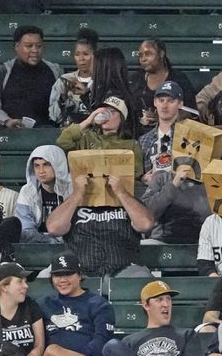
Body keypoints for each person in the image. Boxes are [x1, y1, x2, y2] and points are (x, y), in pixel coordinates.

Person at [45, 149, 154, 279]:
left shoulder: (129, 201)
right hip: (80, 272)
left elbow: (145, 224)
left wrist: (121, 192)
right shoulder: (72, 204)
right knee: (47, 277)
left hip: (124, 268)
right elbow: (54, 228)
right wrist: (77, 193)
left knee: (142, 277)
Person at [101, 280, 202, 356]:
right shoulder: (130, 341)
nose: (166, 304)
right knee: (112, 349)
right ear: (146, 305)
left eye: (168, 299)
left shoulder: (187, 334)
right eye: (159, 300)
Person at [38, 253, 115, 356]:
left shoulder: (98, 304)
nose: (62, 280)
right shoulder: (43, 304)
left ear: (79, 275)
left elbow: (101, 343)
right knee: (51, 352)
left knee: (53, 351)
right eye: (57, 275)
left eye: (68, 274)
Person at [0, 25, 62, 128]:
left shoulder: (56, 71)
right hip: (11, 132)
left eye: (39, 46)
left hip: (46, 131)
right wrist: (6, 121)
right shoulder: (1, 73)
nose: (35, 50)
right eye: (29, 46)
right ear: (17, 47)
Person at [56, 95, 143, 179]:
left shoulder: (131, 145)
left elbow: (136, 173)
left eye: (112, 111)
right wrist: (87, 121)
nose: (105, 114)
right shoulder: (87, 137)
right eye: (102, 111)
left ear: (121, 118)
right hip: (89, 188)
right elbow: (62, 142)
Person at [141, 156, 211, 245]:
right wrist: (174, 183)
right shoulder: (162, 178)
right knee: (147, 246)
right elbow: (146, 213)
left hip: (200, 242)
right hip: (163, 240)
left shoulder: (210, 181)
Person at [129, 38, 197, 128]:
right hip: (138, 136)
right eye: (141, 55)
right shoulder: (135, 80)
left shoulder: (179, 79)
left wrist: (164, 118)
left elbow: (191, 113)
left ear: (161, 54)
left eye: (148, 54)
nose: (143, 59)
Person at [15, 145, 72, 243]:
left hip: (70, 245)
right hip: (37, 245)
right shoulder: (26, 191)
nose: (41, 171)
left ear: (58, 165)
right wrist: (48, 241)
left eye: (46, 165)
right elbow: (26, 229)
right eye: (37, 166)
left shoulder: (72, 190)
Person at [49, 28, 99, 127]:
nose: (81, 59)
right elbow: (54, 117)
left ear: (95, 55)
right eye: (77, 54)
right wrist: (63, 98)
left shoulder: (102, 80)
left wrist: (86, 94)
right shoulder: (64, 80)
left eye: (85, 54)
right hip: (68, 132)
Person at [138, 81, 182, 183]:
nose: (164, 105)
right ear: (155, 102)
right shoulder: (144, 140)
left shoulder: (190, 136)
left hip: (181, 193)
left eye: (170, 101)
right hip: (152, 194)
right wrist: (143, 178)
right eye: (161, 100)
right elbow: (138, 175)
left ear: (180, 104)